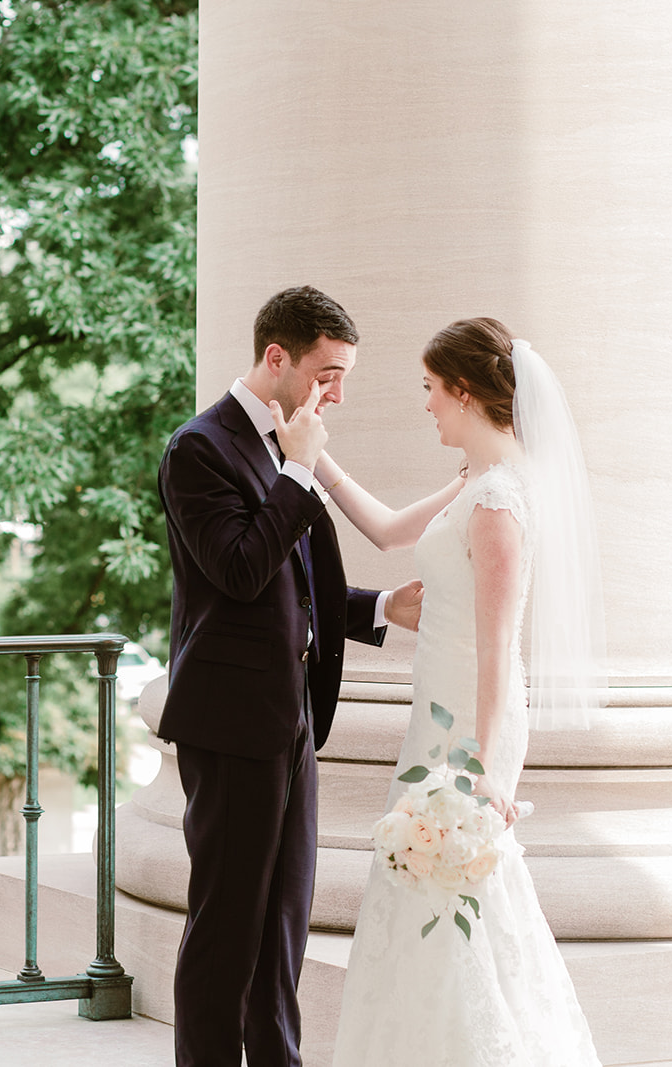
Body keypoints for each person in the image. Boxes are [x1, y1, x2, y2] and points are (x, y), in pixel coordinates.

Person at [323, 317, 604, 1066]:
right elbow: (384, 531)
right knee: (417, 890)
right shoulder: (471, 484)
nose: (425, 406)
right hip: (435, 721)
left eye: (429, 389)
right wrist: (317, 462)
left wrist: (481, 766)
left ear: (464, 390)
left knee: (461, 896)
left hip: (468, 732)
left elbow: (497, 650)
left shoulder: (500, 504)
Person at [156, 285, 424, 1067]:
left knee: (281, 931)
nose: (335, 393)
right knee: (225, 932)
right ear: (276, 358)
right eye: (325, 372)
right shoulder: (199, 448)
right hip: (230, 726)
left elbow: (291, 582)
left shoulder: (283, 443)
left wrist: (380, 607)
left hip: (289, 720)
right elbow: (239, 571)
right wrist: (299, 472)